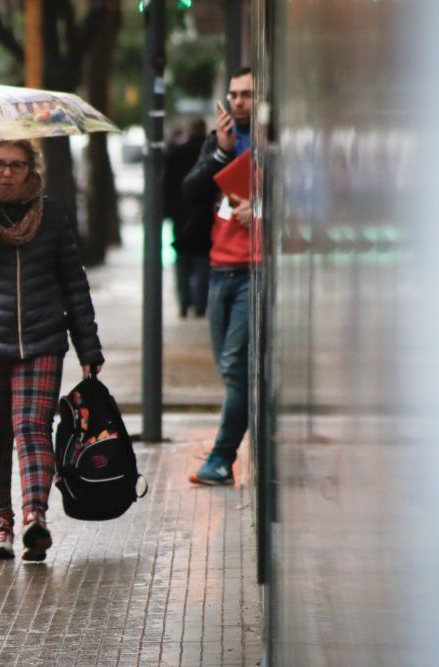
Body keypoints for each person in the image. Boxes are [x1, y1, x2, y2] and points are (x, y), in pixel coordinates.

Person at [0, 139, 104, 561]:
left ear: (32, 169)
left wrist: (88, 344)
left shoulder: (51, 215)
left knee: (31, 426)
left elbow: (73, 284)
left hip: (40, 339)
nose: (7, 173)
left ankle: (34, 519)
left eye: (17, 165)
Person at [181, 66, 254, 486]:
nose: (239, 102)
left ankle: (221, 459)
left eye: (247, 95)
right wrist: (221, 152)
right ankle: (225, 455)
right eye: (234, 94)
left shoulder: (273, 144)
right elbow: (189, 192)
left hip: (253, 271)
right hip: (218, 269)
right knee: (228, 367)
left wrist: (260, 213)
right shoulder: (219, 142)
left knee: (234, 367)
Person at [164, 117, 212, 318]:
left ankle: (184, 302)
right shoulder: (210, 154)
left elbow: (166, 184)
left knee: (182, 257)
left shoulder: (176, 152)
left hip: (180, 214)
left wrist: (166, 211)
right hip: (205, 214)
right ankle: (200, 304)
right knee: (202, 258)